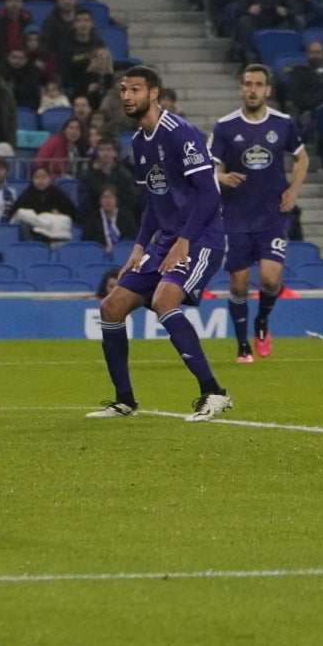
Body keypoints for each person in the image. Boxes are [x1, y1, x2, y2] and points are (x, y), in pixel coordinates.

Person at [90, 66, 232, 422]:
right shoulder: (139, 143)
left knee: (164, 300)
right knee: (111, 308)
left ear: (153, 94)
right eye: (123, 89)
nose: (126, 96)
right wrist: (139, 247)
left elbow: (209, 194)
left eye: (134, 90)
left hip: (201, 239)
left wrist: (184, 242)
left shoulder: (180, 134)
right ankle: (124, 400)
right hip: (166, 240)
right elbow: (154, 200)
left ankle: (214, 392)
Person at [210, 64, 308, 363]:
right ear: (241, 88)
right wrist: (221, 178)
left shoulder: (283, 123)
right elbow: (208, 166)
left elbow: (301, 157)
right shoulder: (225, 126)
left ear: (268, 89)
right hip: (237, 216)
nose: (253, 89)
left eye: (258, 84)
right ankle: (242, 345)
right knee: (238, 284)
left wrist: (293, 190)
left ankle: (262, 322)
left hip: (272, 216)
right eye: (248, 83)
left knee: (269, 279)